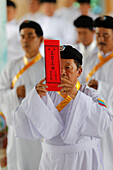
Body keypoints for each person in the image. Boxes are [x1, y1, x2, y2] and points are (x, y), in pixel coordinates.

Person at [13, 45, 112, 170]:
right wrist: (33, 98)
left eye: (67, 67)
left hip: (83, 159)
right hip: (51, 160)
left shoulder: (90, 94)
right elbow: (20, 124)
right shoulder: (44, 94)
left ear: (79, 71)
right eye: (58, 68)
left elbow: (104, 122)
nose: (62, 73)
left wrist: (76, 96)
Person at [0, 20, 44, 170]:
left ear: (41, 39)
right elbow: (1, 93)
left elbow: (56, 94)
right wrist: (14, 94)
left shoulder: (49, 67)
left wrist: (31, 91)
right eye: (23, 36)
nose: (25, 40)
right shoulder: (12, 66)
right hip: (18, 129)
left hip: (40, 127)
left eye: (30, 36)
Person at [86, 16, 113, 170]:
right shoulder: (88, 60)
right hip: (90, 120)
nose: (101, 39)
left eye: (106, 35)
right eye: (98, 35)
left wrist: (101, 87)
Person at [73, 15, 98, 83]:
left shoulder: (99, 51)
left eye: (84, 33)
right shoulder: (73, 50)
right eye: (79, 33)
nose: (82, 36)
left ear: (93, 32)